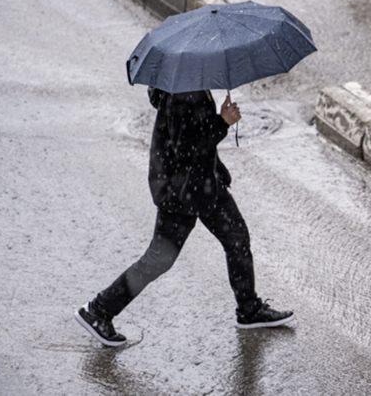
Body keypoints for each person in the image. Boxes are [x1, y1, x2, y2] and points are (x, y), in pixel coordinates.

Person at [75, 88, 293, 347]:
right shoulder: (182, 93)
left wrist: (217, 167)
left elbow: (195, 137)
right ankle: (99, 310)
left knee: (237, 238)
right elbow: (187, 149)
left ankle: (248, 309)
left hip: (204, 184)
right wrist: (222, 122)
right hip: (181, 191)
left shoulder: (192, 86)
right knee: (159, 259)